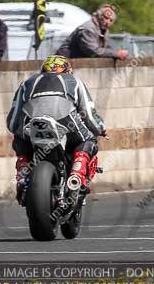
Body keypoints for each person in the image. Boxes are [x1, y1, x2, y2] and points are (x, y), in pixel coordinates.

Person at [6, 55, 105, 204]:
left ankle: (22, 173)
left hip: (32, 122)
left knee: (20, 138)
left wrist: (18, 132)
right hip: (66, 120)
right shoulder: (75, 82)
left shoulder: (26, 83)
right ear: (68, 70)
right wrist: (100, 129)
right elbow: (89, 115)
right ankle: (77, 174)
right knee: (89, 138)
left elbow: (12, 121)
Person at [57, 4, 128, 60]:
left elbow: (105, 48)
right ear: (98, 16)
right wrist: (116, 54)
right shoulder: (88, 28)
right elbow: (93, 52)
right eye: (106, 18)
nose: (107, 22)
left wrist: (118, 53)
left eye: (111, 20)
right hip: (63, 64)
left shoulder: (103, 29)